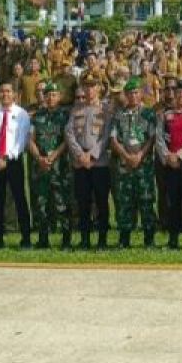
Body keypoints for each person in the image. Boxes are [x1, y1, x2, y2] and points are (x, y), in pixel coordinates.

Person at [109, 77, 157, 249]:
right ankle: (124, 238)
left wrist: (140, 156)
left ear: (141, 93)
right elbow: (113, 139)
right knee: (124, 202)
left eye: (136, 92)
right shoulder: (119, 114)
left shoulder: (149, 113)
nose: (133, 96)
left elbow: (152, 138)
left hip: (144, 166)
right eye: (129, 93)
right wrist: (126, 156)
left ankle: (149, 238)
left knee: (146, 200)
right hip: (124, 166)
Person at [67, 76, 112, 249]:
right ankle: (85, 239)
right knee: (83, 202)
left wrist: (92, 155)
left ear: (99, 88)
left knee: (101, 202)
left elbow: (106, 135)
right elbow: (69, 133)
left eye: (93, 86)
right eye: (86, 87)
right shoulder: (76, 110)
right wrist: (80, 155)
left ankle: (102, 240)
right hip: (80, 164)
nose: (89, 90)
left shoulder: (105, 110)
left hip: (99, 163)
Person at [26, 82, 71, 249]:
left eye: (54, 94)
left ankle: (66, 239)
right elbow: (30, 140)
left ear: (59, 97)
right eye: (48, 95)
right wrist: (39, 158)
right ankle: (43, 239)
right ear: (44, 97)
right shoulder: (37, 116)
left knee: (62, 203)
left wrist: (53, 156)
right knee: (41, 203)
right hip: (41, 166)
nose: (51, 98)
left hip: (60, 167)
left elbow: (67, 140)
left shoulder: (65, 116)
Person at [0, 82, 32, 248]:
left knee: (20, 199)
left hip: (13, 162)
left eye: (8, 91)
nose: (5, 94)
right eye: (2, 91)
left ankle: (26, 238)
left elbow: (21, 141)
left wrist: (7, 158)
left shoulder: (22, 114)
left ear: (14, 94)